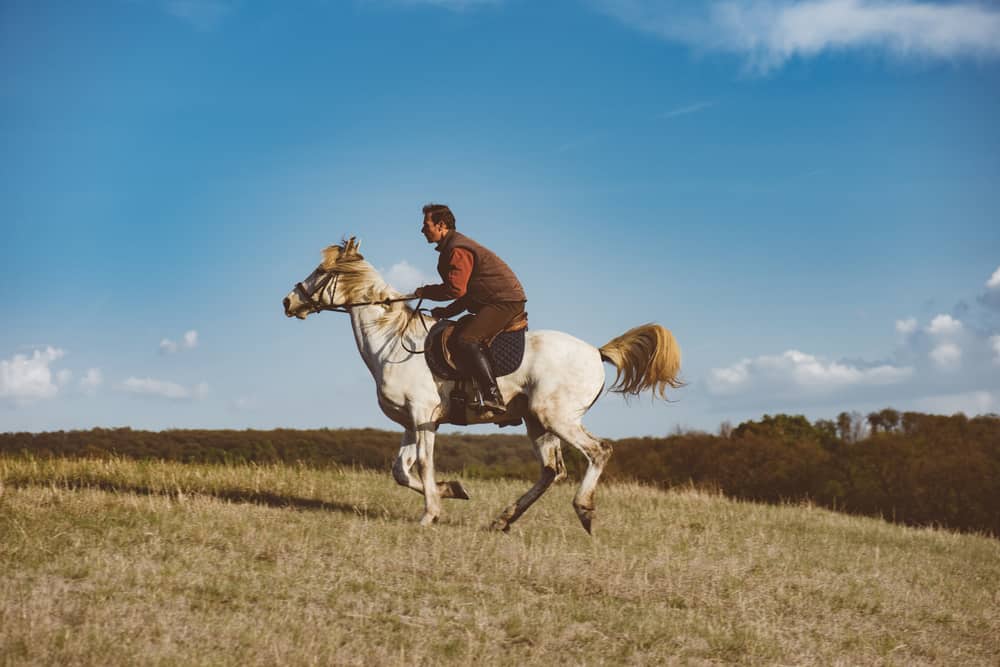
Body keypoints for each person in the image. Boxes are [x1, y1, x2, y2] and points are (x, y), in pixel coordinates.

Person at [414, 203, 526, 414]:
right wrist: (445, 312)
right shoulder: (452, 247)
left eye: (425, 225)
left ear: (441, 225)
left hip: (504, 302)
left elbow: (456, 289)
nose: (422, 230)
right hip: (494, 300)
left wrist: (425, 292)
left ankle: (493, 397)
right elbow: (465, 295)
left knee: (466, 339)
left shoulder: (457, 249)